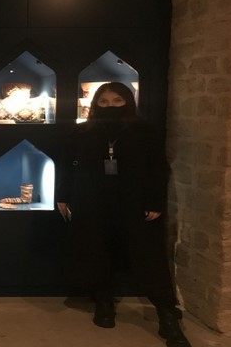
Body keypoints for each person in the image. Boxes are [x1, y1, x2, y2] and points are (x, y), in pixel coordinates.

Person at [56, 82, 191, 347]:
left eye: (117, 101)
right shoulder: (82, 132)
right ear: (95, 104)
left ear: (128, 101)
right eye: (104, 102)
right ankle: (104, 301)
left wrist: (154, 201)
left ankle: (166, 314)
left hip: (134, 203)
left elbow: (157, 168)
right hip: (92, 202)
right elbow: (69, 166)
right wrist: (64, 195)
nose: (110, 106)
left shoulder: (145, 132)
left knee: (149, 257)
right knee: (98, 250)